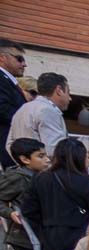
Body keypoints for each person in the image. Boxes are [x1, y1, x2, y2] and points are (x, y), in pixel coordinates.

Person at [0, 137, 47, 250]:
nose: (47, 159)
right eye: (40, 156)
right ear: (25, 159)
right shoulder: (18, 178)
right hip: (24, 238)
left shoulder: (41, 176)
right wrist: (10, 213)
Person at [5, 72, 68, 157]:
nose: (70, 98)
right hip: (44, 169)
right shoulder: (47, 110)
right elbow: (53, 150)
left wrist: (23, 164)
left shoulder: (22, 109)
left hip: (24, 166)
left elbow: (9, 144)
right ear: (59, 90)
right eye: (68, 92)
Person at [0, 39, 28, 170]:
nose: (24, 64)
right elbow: (3, 109)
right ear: (2, 58)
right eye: (19, 59)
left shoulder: (8, 81)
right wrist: (27, 121)